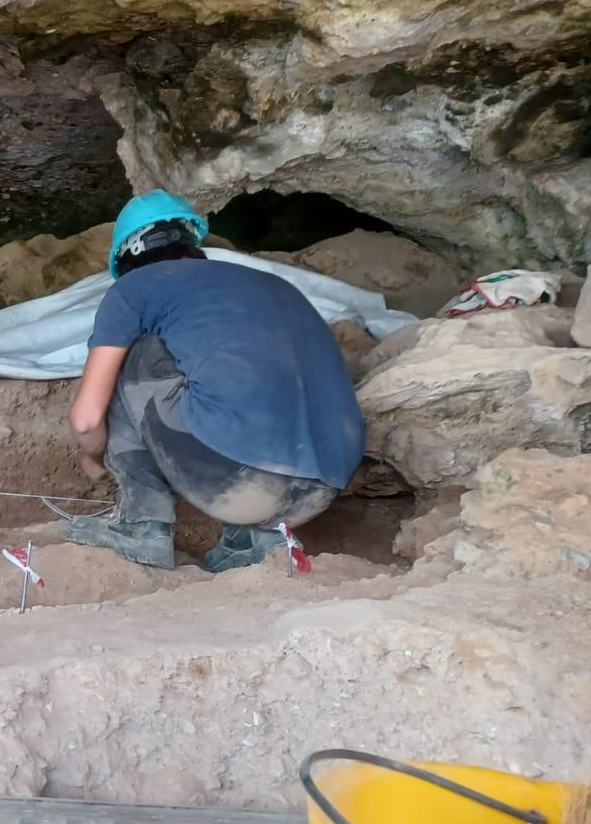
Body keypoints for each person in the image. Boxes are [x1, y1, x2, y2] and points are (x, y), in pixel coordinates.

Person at [60, 190, 365, 572]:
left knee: (133, 352)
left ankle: (140, 523)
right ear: (191, 243)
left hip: (241, 483)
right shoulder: (275, 286)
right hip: (323, 488)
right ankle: (251, 538)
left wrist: (94, 457)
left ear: (126, 259)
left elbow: (86, 419)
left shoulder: (135, 288)